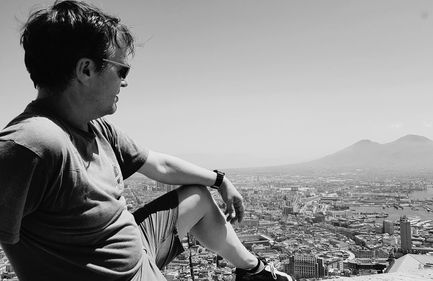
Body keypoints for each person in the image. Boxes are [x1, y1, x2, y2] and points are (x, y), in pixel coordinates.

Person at [0, 1, 295, 281]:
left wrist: (219, 181)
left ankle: (255, 272)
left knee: (197, 196)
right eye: (121, 70)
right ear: (86, 69)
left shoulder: (97, 129)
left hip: (136, 248)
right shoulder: (32, 144)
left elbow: (159, 165)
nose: (125, 82)